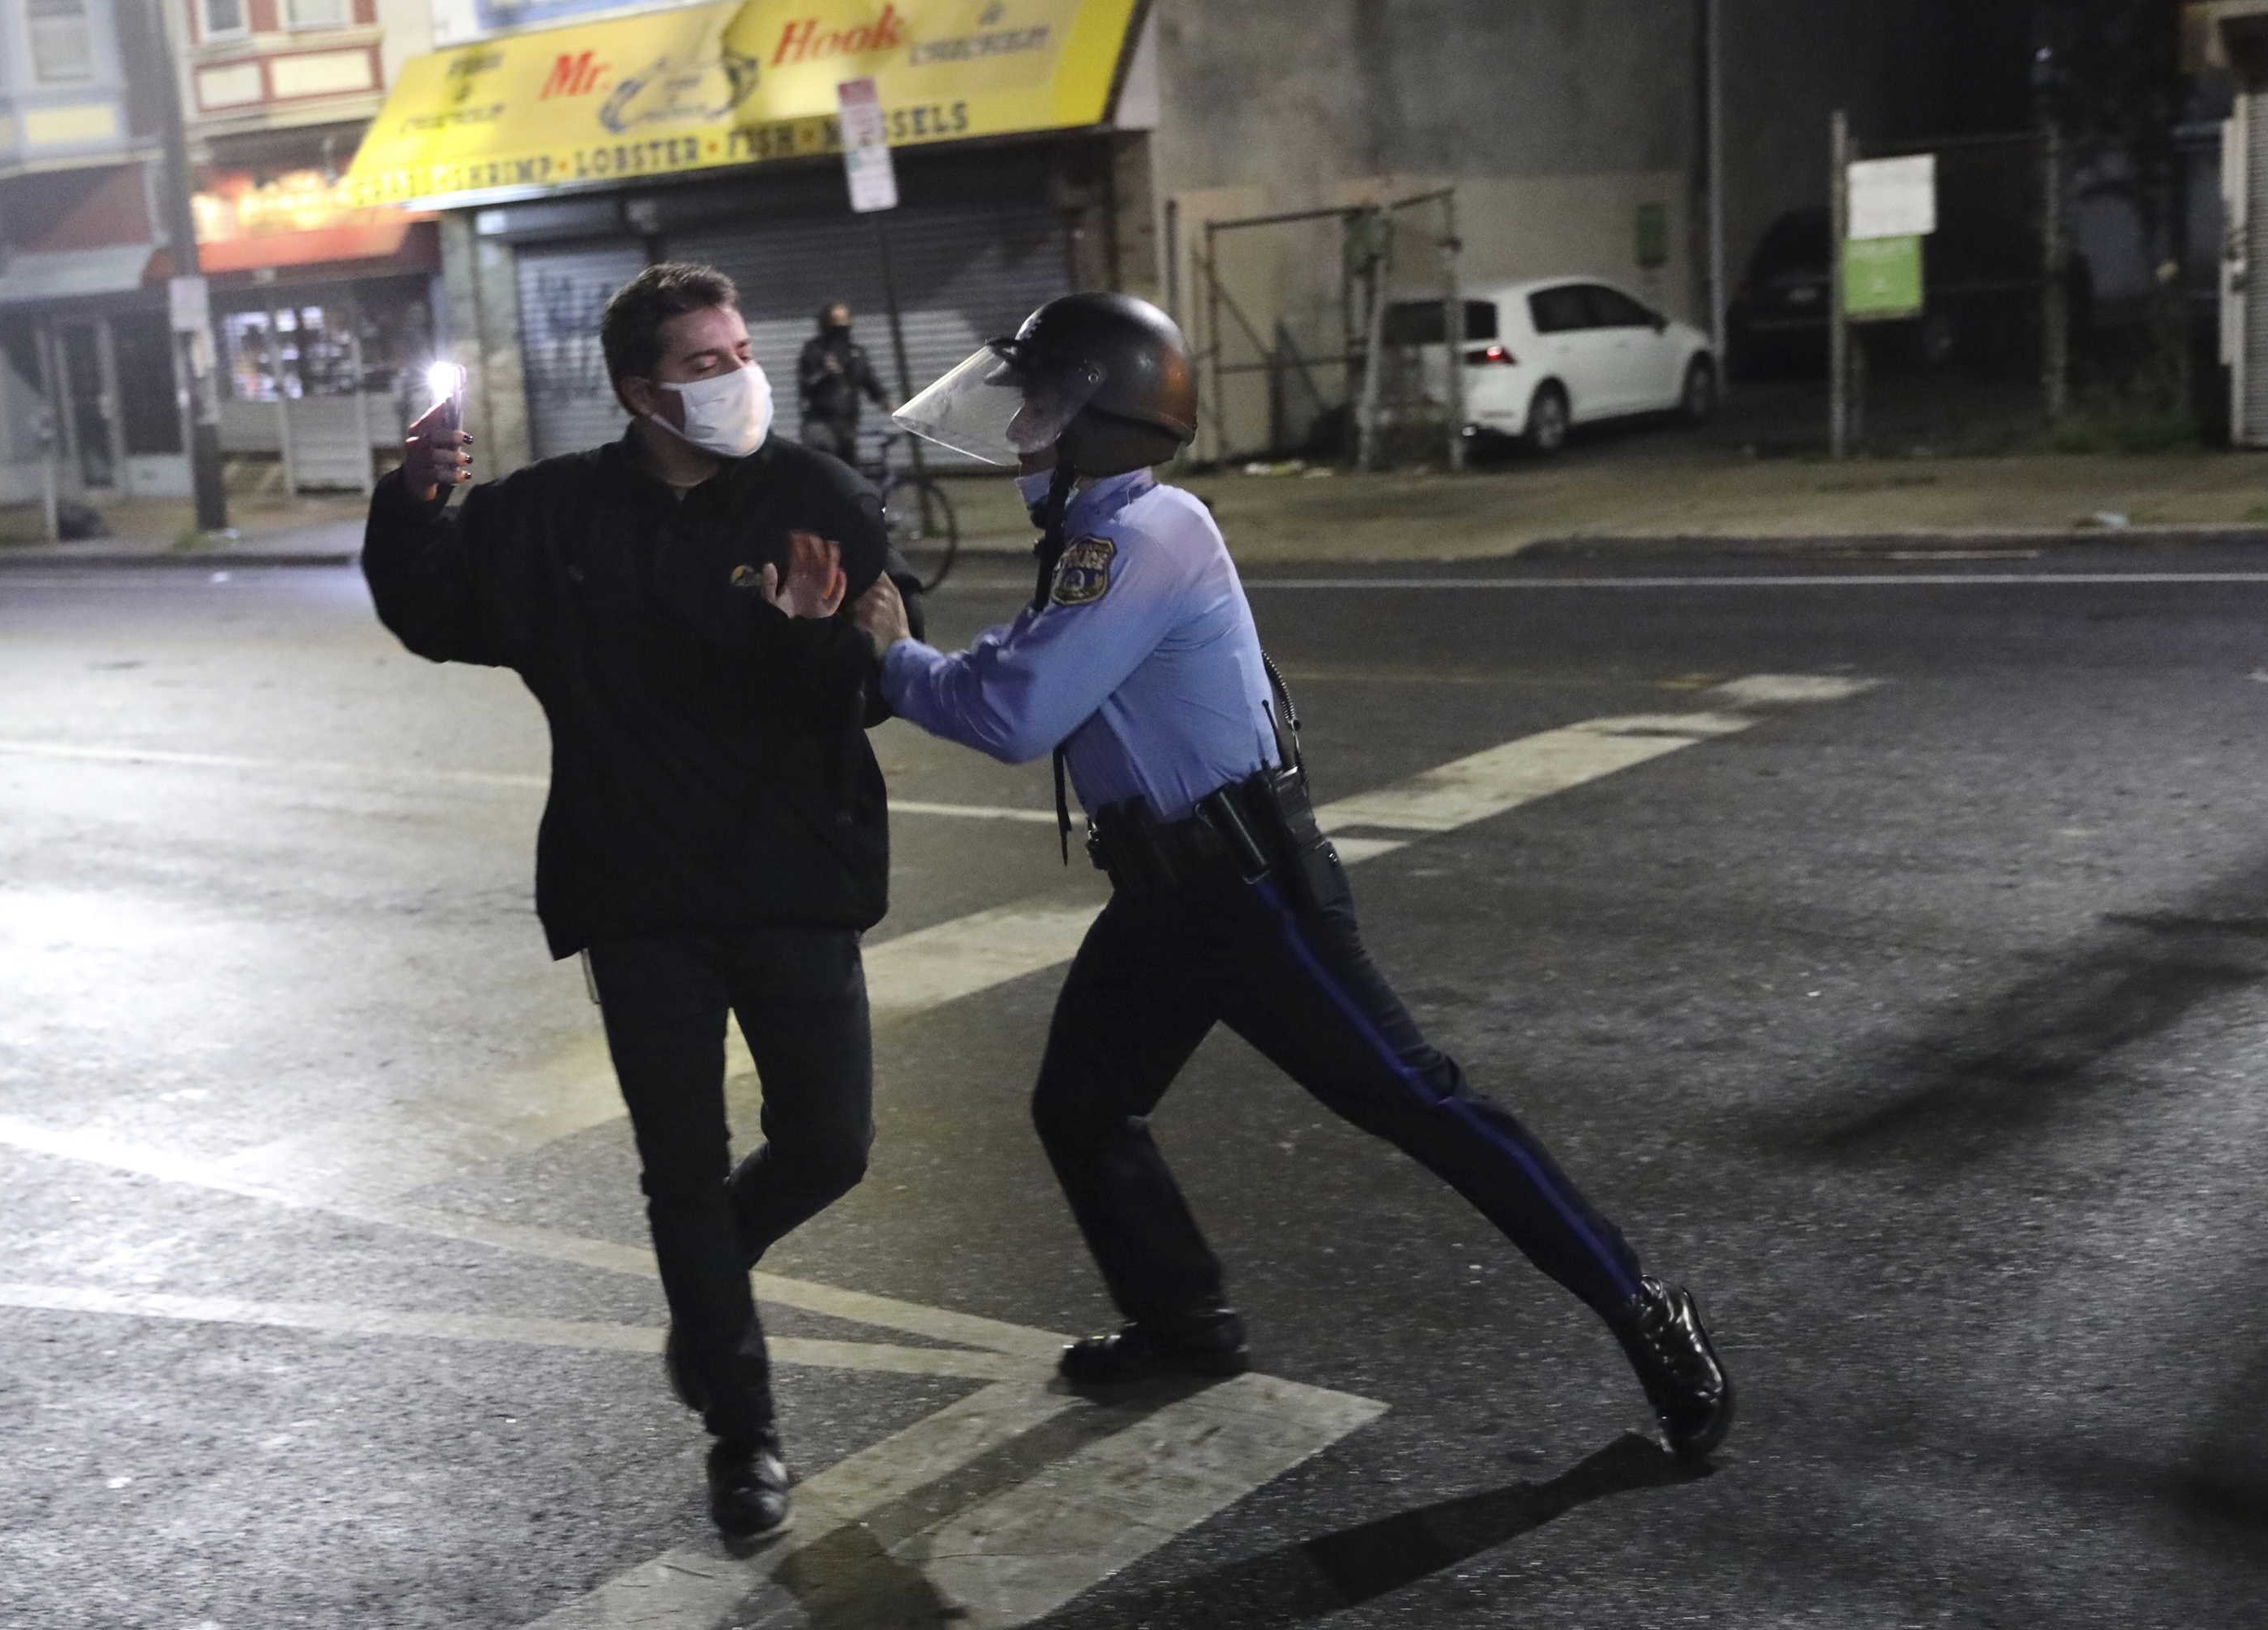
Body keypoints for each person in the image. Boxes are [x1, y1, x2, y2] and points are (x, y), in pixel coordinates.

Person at [849, 292, 1734, 1460]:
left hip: (1249, 897)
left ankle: (1643, 1307)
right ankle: (1184, 1321)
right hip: (1168, 899)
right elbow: (1024, 662)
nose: (1019, 427)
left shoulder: (1145, 537)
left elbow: (1015, 709)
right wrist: (913, 662)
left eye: (1043, 405)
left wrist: (894, 659)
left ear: (1106, 421)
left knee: (1424, 1106)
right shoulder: (1095, 537)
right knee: (1082, 1105)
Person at [363, 262, 908, 1540]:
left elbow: (882, 679)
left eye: (741, 352)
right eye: (705, 364)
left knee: (830, 1143)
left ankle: (710, 1283)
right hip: (638, 886)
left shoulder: (818, 497)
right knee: (682, 1168)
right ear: (640, 394)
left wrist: (817, 635)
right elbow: (432, 611)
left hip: (794, 877)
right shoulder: (551, 517)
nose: (738, 378)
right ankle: (744, 1433)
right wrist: (414, 500)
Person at [796, 302, 890, 464]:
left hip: (848, 422)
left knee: (847, 465)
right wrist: (825, 372)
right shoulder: (814, 350)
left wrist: (885, 401)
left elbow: (869, 381)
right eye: (835, 320)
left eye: (844, 320)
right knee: (826, 463)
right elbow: (806, 383)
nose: (840, 326)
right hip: (820, 421)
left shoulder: (856, 353)